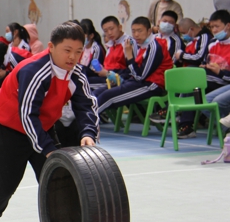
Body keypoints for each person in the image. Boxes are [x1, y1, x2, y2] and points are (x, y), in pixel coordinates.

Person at [0, 22, 98, 222]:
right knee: (6, 184)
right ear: (51, 47)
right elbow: (27, 115)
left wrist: (88, 133)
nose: (73, 57)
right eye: (67, 50)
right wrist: (48, 149)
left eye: (78, 52)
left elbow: (86, 106)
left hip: (41, 125)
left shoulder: (76, 74)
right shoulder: (34, 71)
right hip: (8, 124)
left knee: (57, 180)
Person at [93, 17, 173, 115]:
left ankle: (87, 121)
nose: (136, 35)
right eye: (133, 31)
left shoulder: (154, 47)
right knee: (98, 92)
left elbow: (140, 76)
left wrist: (129, 55)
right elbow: (135, 74)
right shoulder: (142, 45)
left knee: (107, 96)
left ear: (149, 31)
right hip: (135, 81)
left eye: (139, 31)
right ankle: (82, 118)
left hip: (150, 85)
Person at [177, 10, 230, 139]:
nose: (214, 30)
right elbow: (207, 62)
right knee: (195, 86)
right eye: (212, 27)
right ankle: (224, 127)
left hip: (225, 80)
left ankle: (183, 121)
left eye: (217, 26)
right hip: (212, 80)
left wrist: (220, 72)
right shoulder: (213, 43)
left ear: (228, 26)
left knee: (194, 80)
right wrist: (205, 66)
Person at [0, 22, 33, 121]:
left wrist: (6, 73)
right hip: (13, 76)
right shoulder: (7, 50)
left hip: (26, 80)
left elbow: (22, 73)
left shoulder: (14, 56)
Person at [79, 18, 106, 90]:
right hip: (83, 76)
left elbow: (93, 71)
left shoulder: (96, 49)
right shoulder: (81, 48)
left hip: (94, 79)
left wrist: (77, 67)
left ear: (91, 35)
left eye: (83, 35)